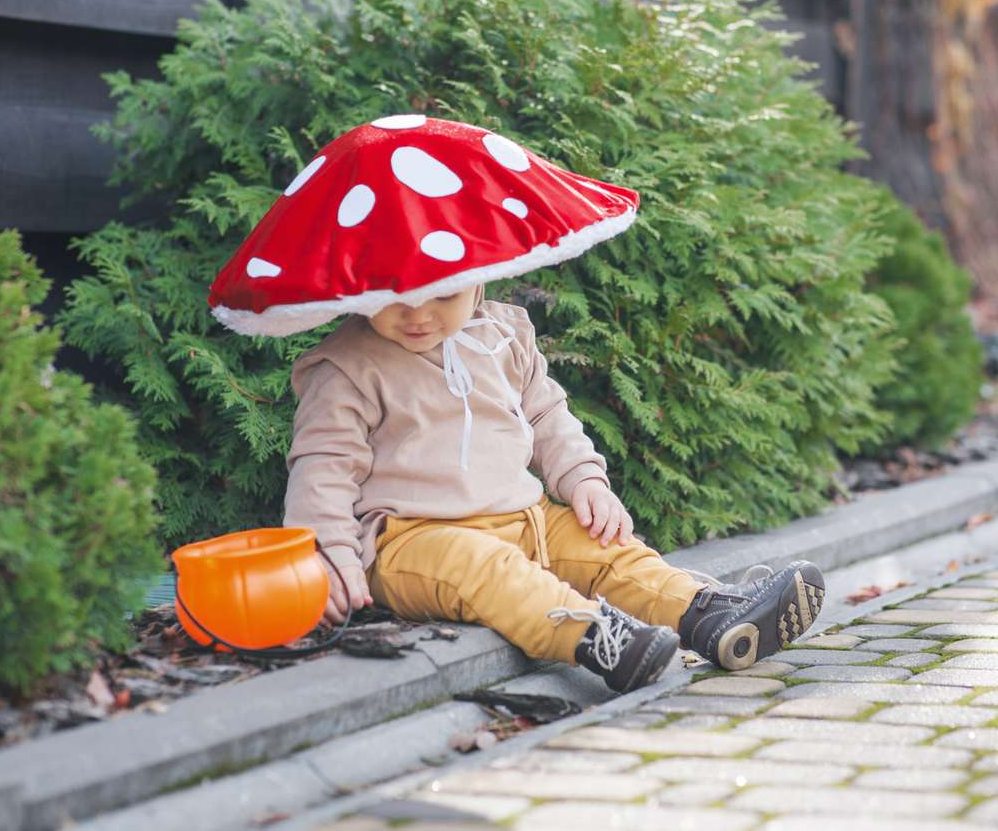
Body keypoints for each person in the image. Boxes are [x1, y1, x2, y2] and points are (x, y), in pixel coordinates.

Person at [207, 116, 826, 692]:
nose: (417, 314)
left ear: (482, 264)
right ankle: (598, 640)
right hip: (415, 541)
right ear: (360, 280)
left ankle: (708, 614)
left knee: (606, 550)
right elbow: (322, 467)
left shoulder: (505, 333)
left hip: (527, 520)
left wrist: (583, 479)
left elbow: (547, 416)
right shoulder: (346, 366)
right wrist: (332, 555)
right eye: (393, 293)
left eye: (441, 292)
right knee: (490, 575)